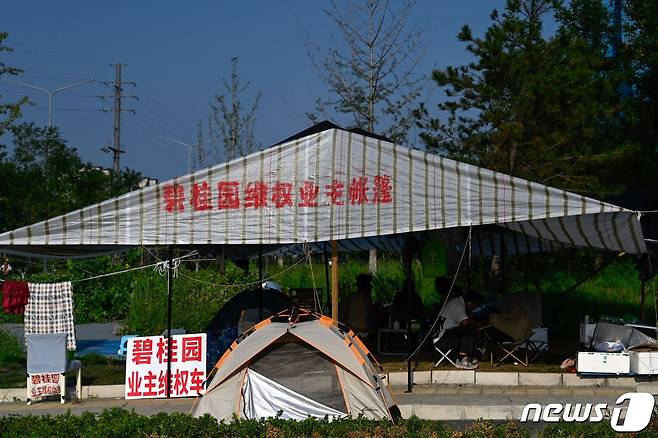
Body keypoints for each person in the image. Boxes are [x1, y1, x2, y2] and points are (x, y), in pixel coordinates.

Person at [437, 284, 483, 370]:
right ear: (470, 302)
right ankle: (463, 359)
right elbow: (464, 322)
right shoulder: (458, 304)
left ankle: (468, 357)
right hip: (443, 336)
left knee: (469, 329)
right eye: (474, 305)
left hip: (447, 333)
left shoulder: (459, 302)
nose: (474, 307)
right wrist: (477, 323)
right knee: (468, 329)